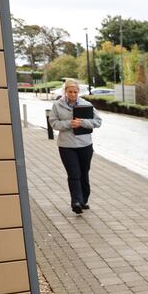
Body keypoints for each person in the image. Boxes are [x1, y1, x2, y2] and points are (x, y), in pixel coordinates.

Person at [48, 78, 102, 214]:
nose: (73, 94)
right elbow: (53, 123)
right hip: (66, 146)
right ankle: (76, 202)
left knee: (84, 173)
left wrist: (82, 122)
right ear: (65, 91)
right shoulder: (57, 105)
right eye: (70, 92)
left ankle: (83, 200)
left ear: (78, 92)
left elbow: (98, 121)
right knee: (74, 174)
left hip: (85, 145)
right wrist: (68, 124)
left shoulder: (86, 104)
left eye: (75, 92)